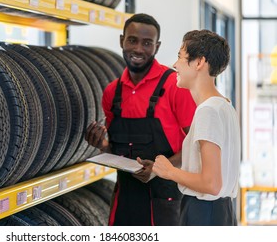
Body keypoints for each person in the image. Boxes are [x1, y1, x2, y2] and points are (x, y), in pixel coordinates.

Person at [85, 13, 196, 226]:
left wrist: (157, 169)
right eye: (132, 40)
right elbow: (117, 151)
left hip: (166, 201)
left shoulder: (174, 85)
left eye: (147, 43)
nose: (138, 49)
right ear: (121, 41)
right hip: (125, 199)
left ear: (157, 46)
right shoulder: (112, 93)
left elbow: (196, 144)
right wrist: (103, 145)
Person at [148, 29, 241, 226]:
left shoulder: (207, 111)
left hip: (203, 213)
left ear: (199, 62)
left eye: (180, 57)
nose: (175, 65)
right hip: (221, 212)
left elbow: (211, 184)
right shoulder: (224, 105)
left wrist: (168, 171)